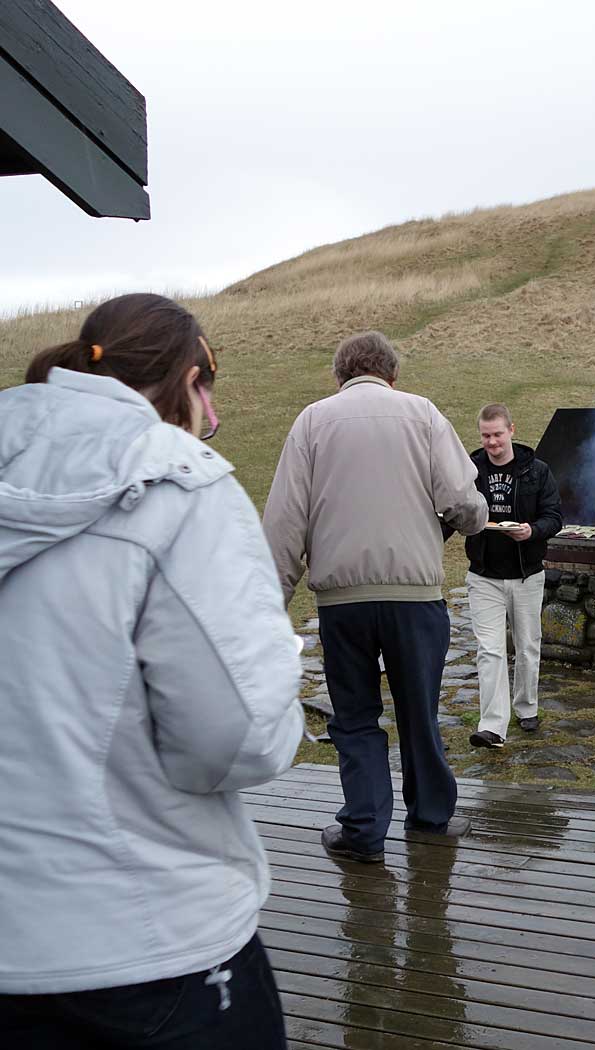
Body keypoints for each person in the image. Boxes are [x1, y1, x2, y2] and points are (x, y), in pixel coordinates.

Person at [0, 293, 304, 1047]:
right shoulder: (180, 487)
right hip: (149, 940)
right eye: (210, 386)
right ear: (187, 378)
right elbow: (235, 739)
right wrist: (278, 671)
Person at [262, 331, 487, 864]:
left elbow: (285, 523)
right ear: (392, 375)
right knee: (419, 711)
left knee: (355, 718)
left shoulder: (312, 422)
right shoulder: (423, 414)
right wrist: (468, 520)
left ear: (339, 376)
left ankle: (363, 829)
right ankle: (431, 818)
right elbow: (463, 503)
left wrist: (270, 603)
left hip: (342, 604)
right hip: (415, 598)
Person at [464, 403, 563, 749]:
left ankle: (526, 706)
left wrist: (532, 531)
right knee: (489, 650)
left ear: (511, 430)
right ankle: (492, 726)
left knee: (527, 645)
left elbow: (555, 516)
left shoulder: (536, 471)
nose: (492, 442)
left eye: (497, 435)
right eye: (486, 436)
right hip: (484, 575)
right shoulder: (470, 471)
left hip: (526, 574)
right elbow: (455, 513)